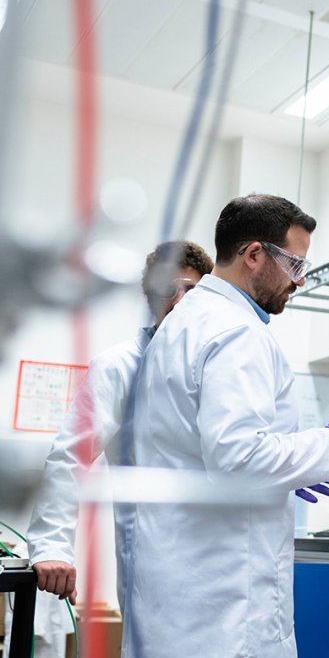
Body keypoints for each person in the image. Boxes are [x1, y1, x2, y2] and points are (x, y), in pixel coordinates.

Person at [121, 194, 329, 657]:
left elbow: (203, 446)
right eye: (295, 265)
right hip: (224, 600)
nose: (298, 281)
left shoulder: (183, 324)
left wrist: (287, 472)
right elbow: (239, 459)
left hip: (178, 588)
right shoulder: (237, 332)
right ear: (255, 254)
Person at [15, 241, 212, 658]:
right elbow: (72, 456)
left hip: (221, 557)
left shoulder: (219, 368)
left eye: (192, 291)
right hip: (154, 559)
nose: (178, 301)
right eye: (166, 290)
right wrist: (51, 546)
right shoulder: (121, 365)